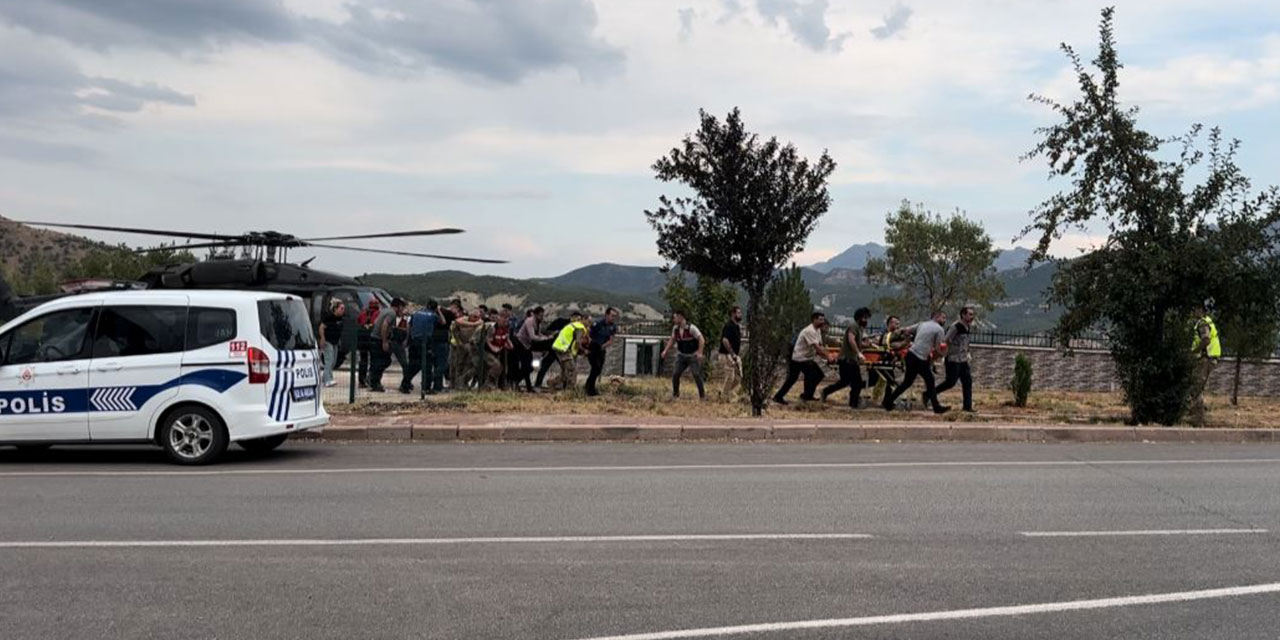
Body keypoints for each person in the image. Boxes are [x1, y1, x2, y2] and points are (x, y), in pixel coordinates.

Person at [882, 309, 950, 414]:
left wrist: (901, 338)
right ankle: (936, 407)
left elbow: (906, 330)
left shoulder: (922, 324)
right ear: (936, 317)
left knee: (907, 382)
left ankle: (888, 402)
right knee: (930, 380)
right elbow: (938, 348)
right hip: (920, 358)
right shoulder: (939, 329)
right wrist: (943, 354)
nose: (945, 320)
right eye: (943, 317)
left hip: (910, 355)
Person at [774, 312, 829, 405]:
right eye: (820, 320)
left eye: (823, 319)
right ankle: (805, 396)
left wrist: (826, 355)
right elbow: (817, 347)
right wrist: (828, 357)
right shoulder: (810, 331)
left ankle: (805, 395)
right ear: (814, 320)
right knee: (812, 375)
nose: (822, 322)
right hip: (799, 358)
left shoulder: (817, 330)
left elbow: (820, 346)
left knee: (811, 375)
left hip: (806, 358)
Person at [821, 307, 870, 408]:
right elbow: (851, 340)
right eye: (864, 318)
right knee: (856, 383)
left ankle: (826, 392)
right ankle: (853, 404)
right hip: (847, 360)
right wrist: (858, 353)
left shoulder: (859, 329)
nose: (866, 320)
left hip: (851, 360)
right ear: (859, 317)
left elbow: (857, 342)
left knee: (846, 382)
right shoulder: (853, 326)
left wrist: (866, 345)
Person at [933, 306, 976, 412]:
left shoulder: (967, 327)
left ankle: (967, 407)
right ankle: (930, 394)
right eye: (969, 314)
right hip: (953, 359)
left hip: (963, 359)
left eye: (972, 314)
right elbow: (946, 340)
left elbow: (965, 342)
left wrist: (968, 352)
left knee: (967, 381)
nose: (972, 317)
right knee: (950, 382)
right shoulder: (956, 327)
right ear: (963, 315)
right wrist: (943, 354)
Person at [1188, 300, 1222, 426]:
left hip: (1205, 358)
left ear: (1201, 311)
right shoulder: (1207, 321)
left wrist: (1195, 352)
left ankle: (1198, 419)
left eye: (1195, 309)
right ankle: (1197, 417)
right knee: (1198, 387)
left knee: (1196, 387)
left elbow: (1206, 339)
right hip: (1208, 358)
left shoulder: (1202, 323)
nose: (1193, 312)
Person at [661, 311, 707, 399]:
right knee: (675, 374)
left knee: (696, 374)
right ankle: (675, 394)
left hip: (692, 355)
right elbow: (672, 340)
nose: (674, 319)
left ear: (681, 317)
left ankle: (702, 396)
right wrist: (665, 350)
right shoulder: (675, 329)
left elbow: (701, 339)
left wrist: (700, 352)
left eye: (675, 317)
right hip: (681, 355)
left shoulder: (691, 328)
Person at [368, 297, 408, 393]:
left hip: (374, 338)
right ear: (398, 307)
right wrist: (384, 341)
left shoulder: (385, 310)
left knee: (379, 361)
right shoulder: (392, 314)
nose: (402, 310)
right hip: (378, 339)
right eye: (402, 307)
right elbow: (385, 325)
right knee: (384, 361)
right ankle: (373, 380)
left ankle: (374, 381)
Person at [549, 310, 589, 391]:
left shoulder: (573, 325)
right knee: (572, 370)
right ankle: (570, 391)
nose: (589, 323)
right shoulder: (580, 327)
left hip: (559, 347)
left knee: (565, 372)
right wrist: (584, 351)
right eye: (588, 321)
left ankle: (553, 383)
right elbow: (578, 342)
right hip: (564, 349)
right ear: (583, 319)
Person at [405, 301, 438, 394]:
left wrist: (408, 339)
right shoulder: (433, 315)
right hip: (425, 341)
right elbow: (443, 322)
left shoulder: (416, 313)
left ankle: (405, 384)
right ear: (435, 308)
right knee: (427, 365)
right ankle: (426, 387)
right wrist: (438, 312)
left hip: (414, 340)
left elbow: (409, 325)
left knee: (413, 364)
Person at [585, 307, 619, 396]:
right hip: (593, 347)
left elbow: (611, 340)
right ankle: (590, 389)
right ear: (607, 315)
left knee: (598, 369)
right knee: (595, 367)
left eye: (615, 316)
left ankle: (589, 386)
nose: (613, 318)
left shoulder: (613, 327)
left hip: (601, 348)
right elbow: (588, 334)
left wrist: (603, 346)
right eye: (612, 316)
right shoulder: (598, 323)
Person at [516, 307, 551, 392]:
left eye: (543, 316)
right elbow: (533, 336)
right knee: (526, 366)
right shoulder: (530, 321)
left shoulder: (538, 323)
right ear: (535, 315)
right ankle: (522, 384)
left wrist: (546, 337)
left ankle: (517, 383)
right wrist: (544, 339)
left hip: (527, 345)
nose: (542, 317)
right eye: (540, 315)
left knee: (529, 367)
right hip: (521, 344)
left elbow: (538, 333)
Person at [449, 309, 483, 391]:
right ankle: (454, 383)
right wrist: (472, 324)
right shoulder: (464, 320)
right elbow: (457, 324)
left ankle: (463, 382)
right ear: (470, 316)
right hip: (459, 345)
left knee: (468, 365)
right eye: (475, 317)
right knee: (457, 364)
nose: (476, 319)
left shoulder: (480, 322)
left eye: (478, 317)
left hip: (470, 346)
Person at [317, 297, 346, 388]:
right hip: (328, 341)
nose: (343, 310)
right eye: (341, 308)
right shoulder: (329, 317)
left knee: (333, 361)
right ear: (335, 309)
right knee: (328, 360)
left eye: (343, 309)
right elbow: (322, 327)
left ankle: (328, 377)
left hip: (335, 342)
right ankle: (327, 380)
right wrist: (322, 338)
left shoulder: (341, 318)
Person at [718, 306, 744, 399]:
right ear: (733, 314)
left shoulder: (736, 326)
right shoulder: (729, 326)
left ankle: (726, 392)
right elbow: (725, 340)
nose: (740, 315)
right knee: (730, 376)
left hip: (734, 355)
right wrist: (732, 353)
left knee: (739, 376)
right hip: (726, 355)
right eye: (738, 313)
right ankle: (724, 397)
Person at [355, 298, 381, 388]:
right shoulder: (378, 313)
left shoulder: (363, 312)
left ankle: (361, 380)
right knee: (374, 360)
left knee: (363, 360)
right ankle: (371, 379)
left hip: (362, 339)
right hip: (372, 339)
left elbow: (358, 322)